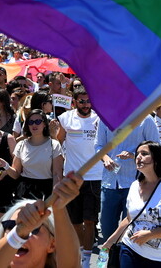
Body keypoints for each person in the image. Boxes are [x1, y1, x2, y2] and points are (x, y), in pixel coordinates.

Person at [0, 172, 84, 268]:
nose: (26, 230)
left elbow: (72, 265)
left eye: (34, 228)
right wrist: (19, 232)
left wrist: (59, 209)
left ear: (52, 245)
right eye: (11, 225)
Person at [53, 87, 101, 267]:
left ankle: (87, 260)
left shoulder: (98, 118)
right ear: (74, 102)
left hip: (95, 176)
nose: (86, 105)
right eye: (82, 101)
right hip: (72, 177)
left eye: (88, 101)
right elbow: (58, 143)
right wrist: (52, 133)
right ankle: (81, 252)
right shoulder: (66, 119)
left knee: (90, 221)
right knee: (75, 221)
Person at [102, 141, 161, 266]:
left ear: (157, 158)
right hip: (130, 250)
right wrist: (109, 242)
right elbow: (128, 219)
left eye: (144, 153)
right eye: (137, 154)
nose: (138, 157)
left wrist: (150, 235)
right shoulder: (134, 185)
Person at [95, 114, 160, 241]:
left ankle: (123, 258)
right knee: (107, 228)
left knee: (130, 229)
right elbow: (98, 146)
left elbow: (156, 149)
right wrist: (105, 158)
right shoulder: (105, 119)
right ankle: (110, 258)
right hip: (110, 182)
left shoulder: (146, 119)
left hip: (137, 183)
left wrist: (135, 155)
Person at [0, 109, 63, 200]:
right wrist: (6, 166)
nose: (34, 125)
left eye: (38, 121)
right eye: (31, 122)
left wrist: (55, 196)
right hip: (25, 192)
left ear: (44, 124)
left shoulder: (54, 145)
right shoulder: (21, 144)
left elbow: (57, 174)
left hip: (46, 191)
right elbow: (16, 174)